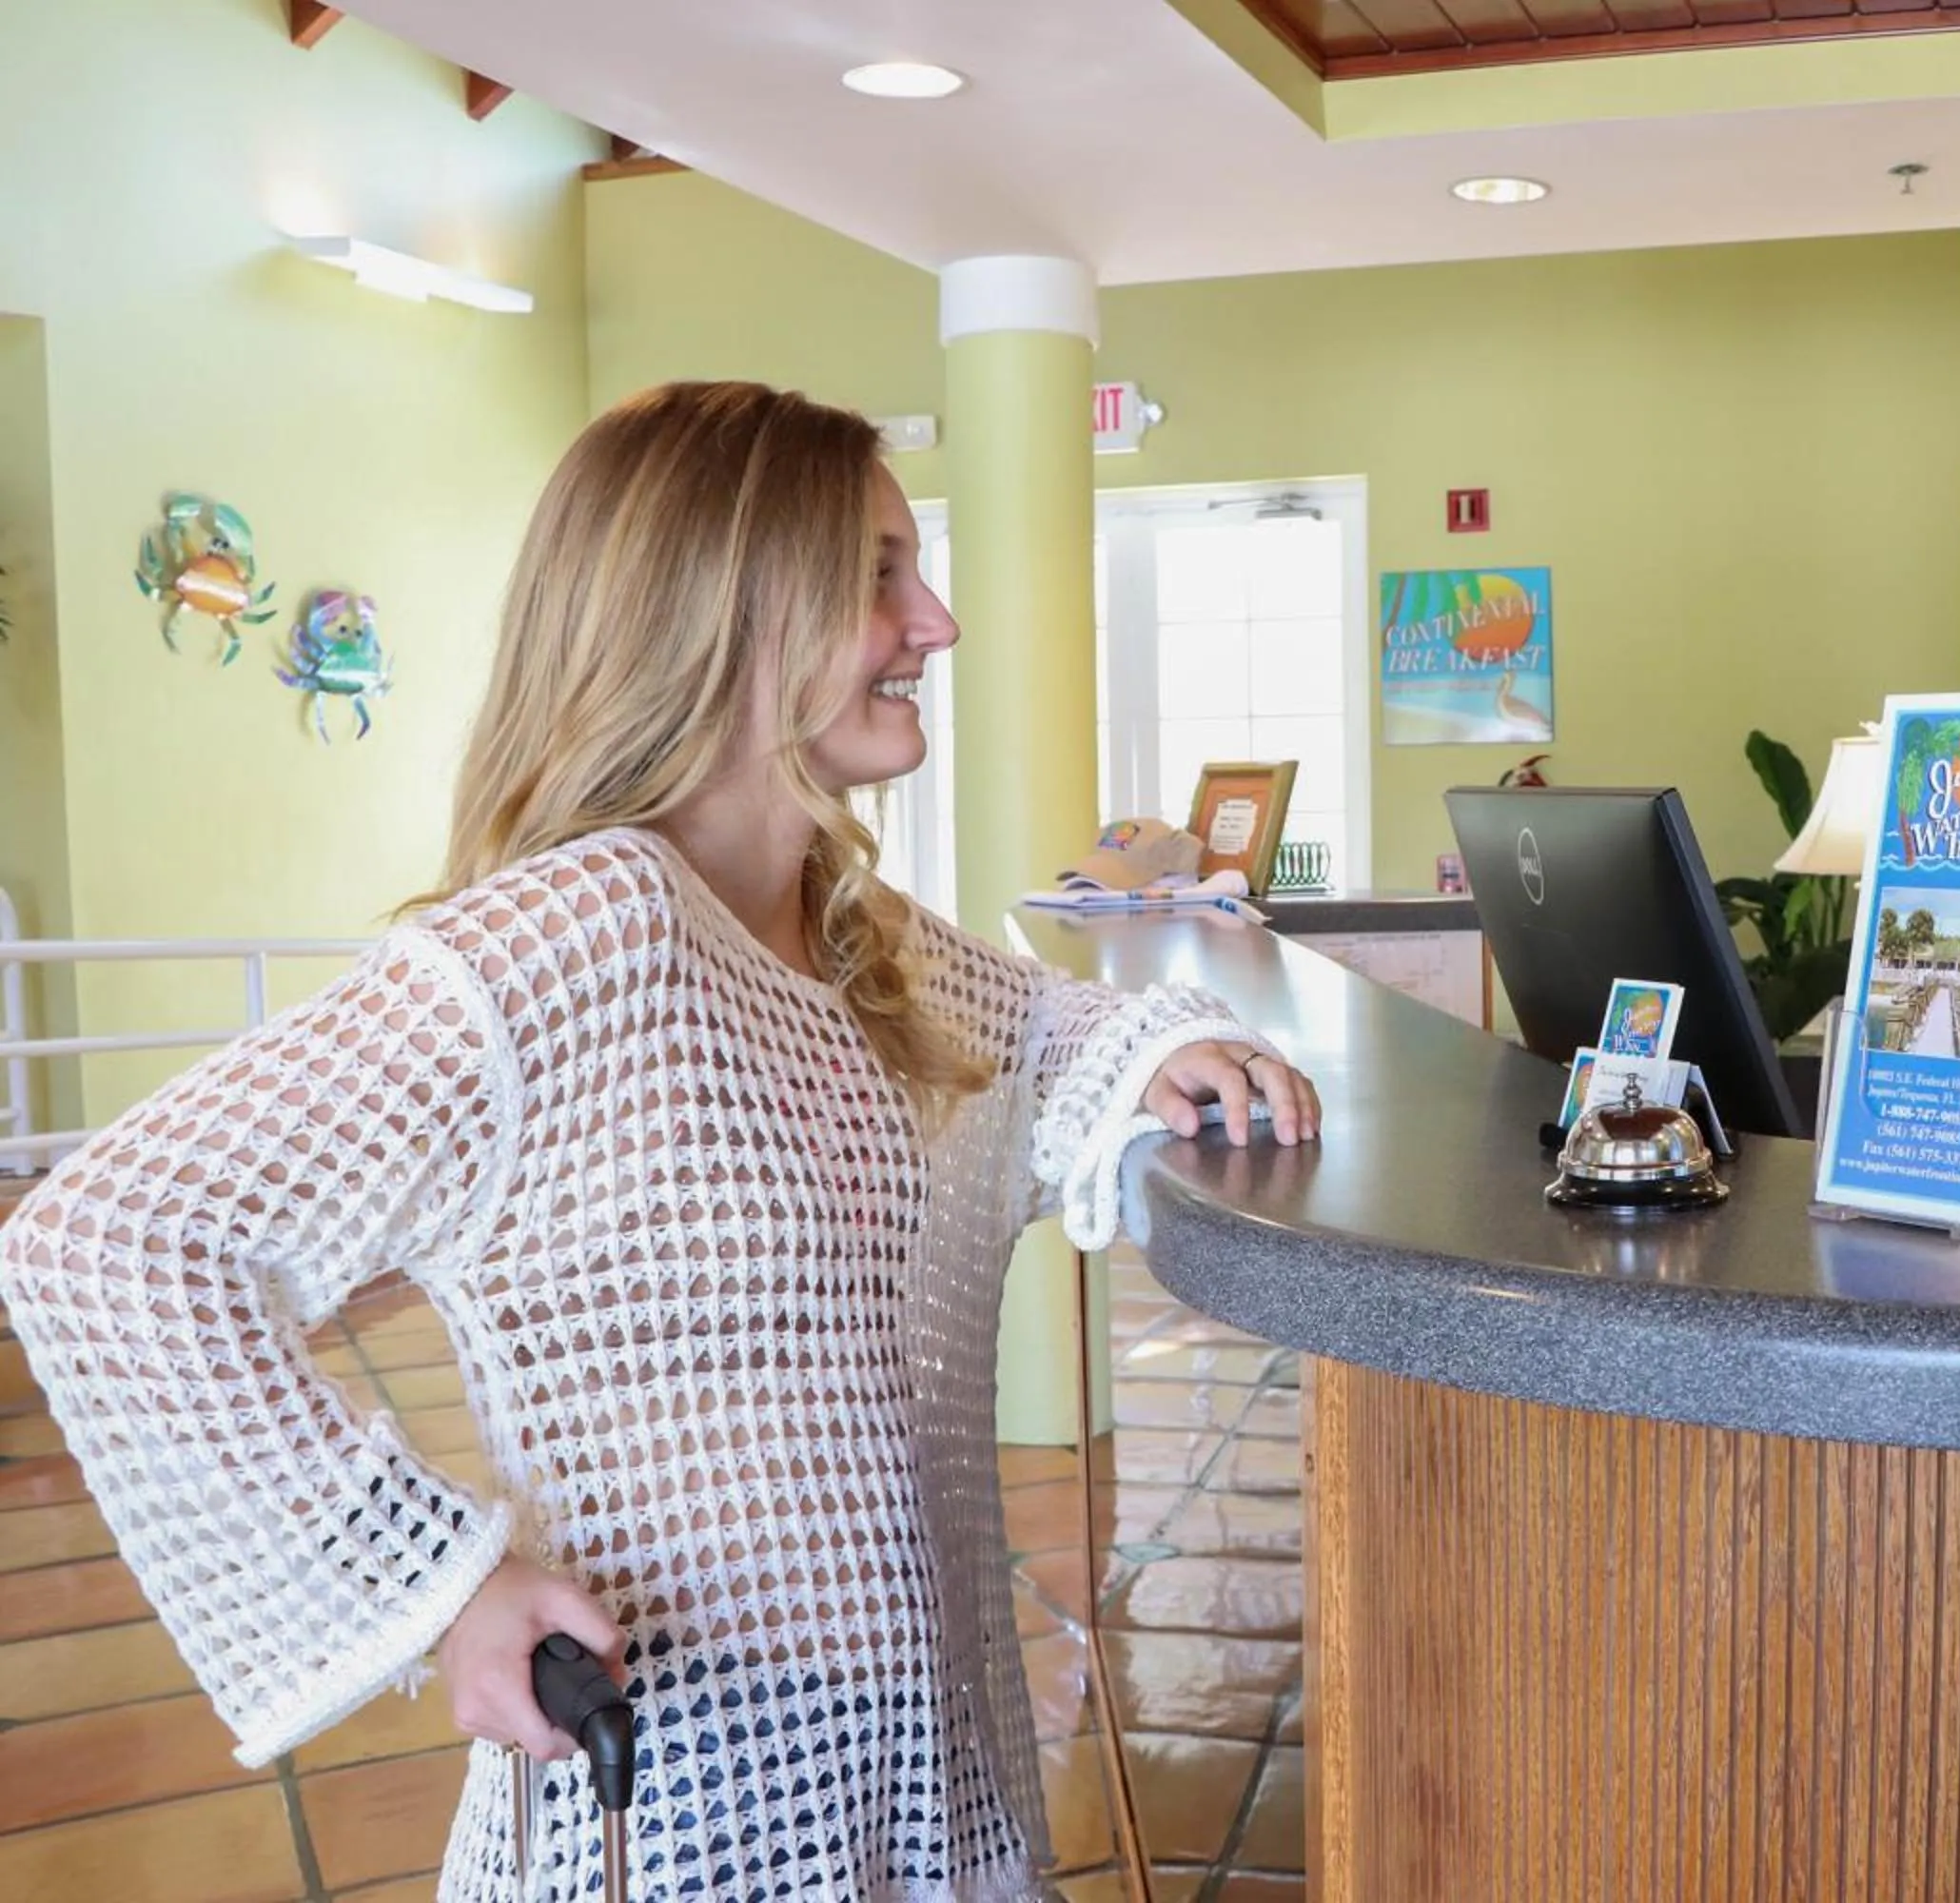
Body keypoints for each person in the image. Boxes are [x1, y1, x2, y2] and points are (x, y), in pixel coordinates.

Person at [0, 382, 1322, 1901]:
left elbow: (1034, 1032)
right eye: (880, 571)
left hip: (921, 1763)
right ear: (729, 610)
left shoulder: (845, 921)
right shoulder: (581, 932)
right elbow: (105, 1247)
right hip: (690, 1801)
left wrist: (1162, 1046)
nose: (936, 620)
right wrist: (443, 1588)